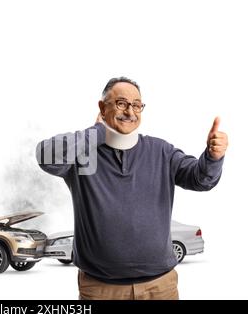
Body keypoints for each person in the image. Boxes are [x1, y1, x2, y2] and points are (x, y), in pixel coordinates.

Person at [35, 77, 228, 300]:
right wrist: (97, 131)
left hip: (160, 287)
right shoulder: (83, 155)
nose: (130, 112)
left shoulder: (160, 152)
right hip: (100, 289)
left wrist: (214, 157)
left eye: (137, 105)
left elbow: (201, 179)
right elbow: (45, 156)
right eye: (121, 103)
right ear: (102, 107)